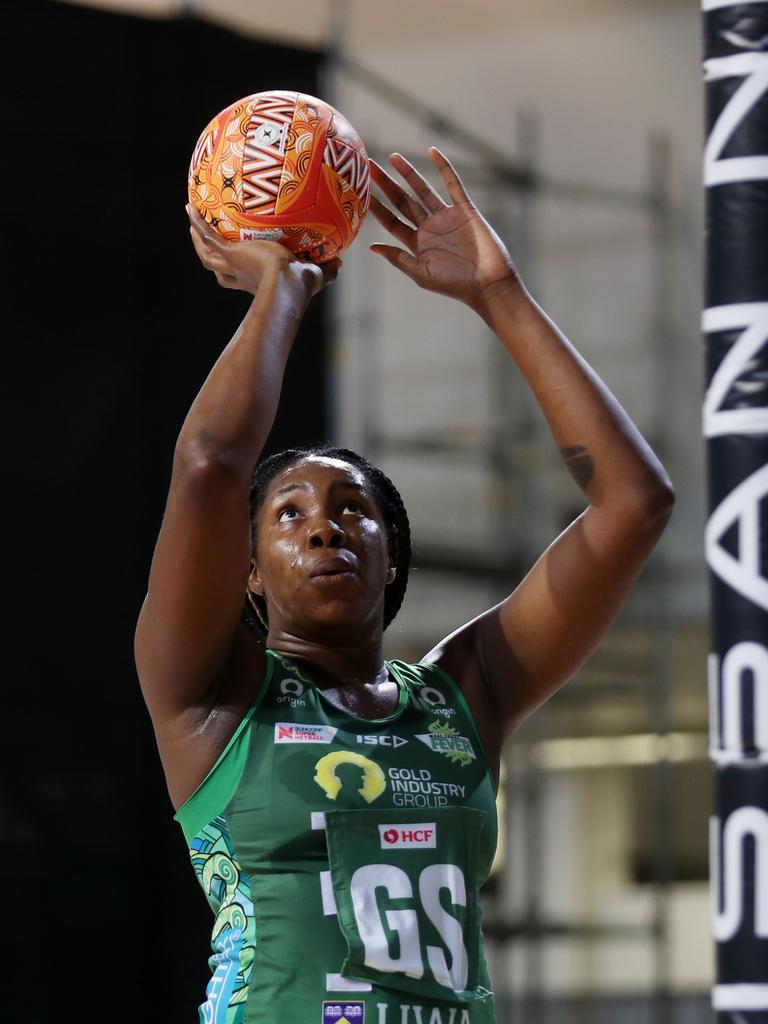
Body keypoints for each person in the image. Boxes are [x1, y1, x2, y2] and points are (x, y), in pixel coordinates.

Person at [134, 147, 674, 1024]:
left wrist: (499, 296)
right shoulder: (212, 695)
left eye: (354, 509)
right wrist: (285, 285)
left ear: (394, 558)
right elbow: (208, 465)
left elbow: (635, 503)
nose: (322, 525)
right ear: (250, 576)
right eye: (288, 514)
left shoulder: (467, 693)